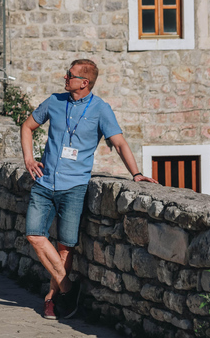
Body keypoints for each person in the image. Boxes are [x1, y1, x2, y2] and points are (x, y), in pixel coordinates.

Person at [20, 59, 157, 320]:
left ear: (84, 82)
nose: (64, 77)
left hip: (74, 187)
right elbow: (27, 126)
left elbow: (119, 143)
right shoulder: (54, 101)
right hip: (45, 182)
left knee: (65, 247)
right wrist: (28, 158)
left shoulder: (100, 109)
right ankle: (68, 288)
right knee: (34, 235)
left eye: (69, 75)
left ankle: (52, 298)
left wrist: (136, 174)